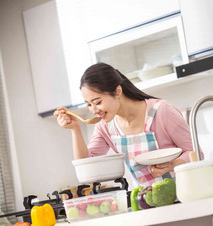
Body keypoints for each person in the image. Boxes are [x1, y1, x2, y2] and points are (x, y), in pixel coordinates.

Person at [54, 62, 200, 187]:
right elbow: (85, 166)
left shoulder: (162, 112)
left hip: (184, 194)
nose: (94, 111)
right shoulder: (105, 126)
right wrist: (75, 129)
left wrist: (172, 166)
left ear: (117, 91)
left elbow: (196, 153)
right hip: (146, 202)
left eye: (98, 102)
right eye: (88, 105)